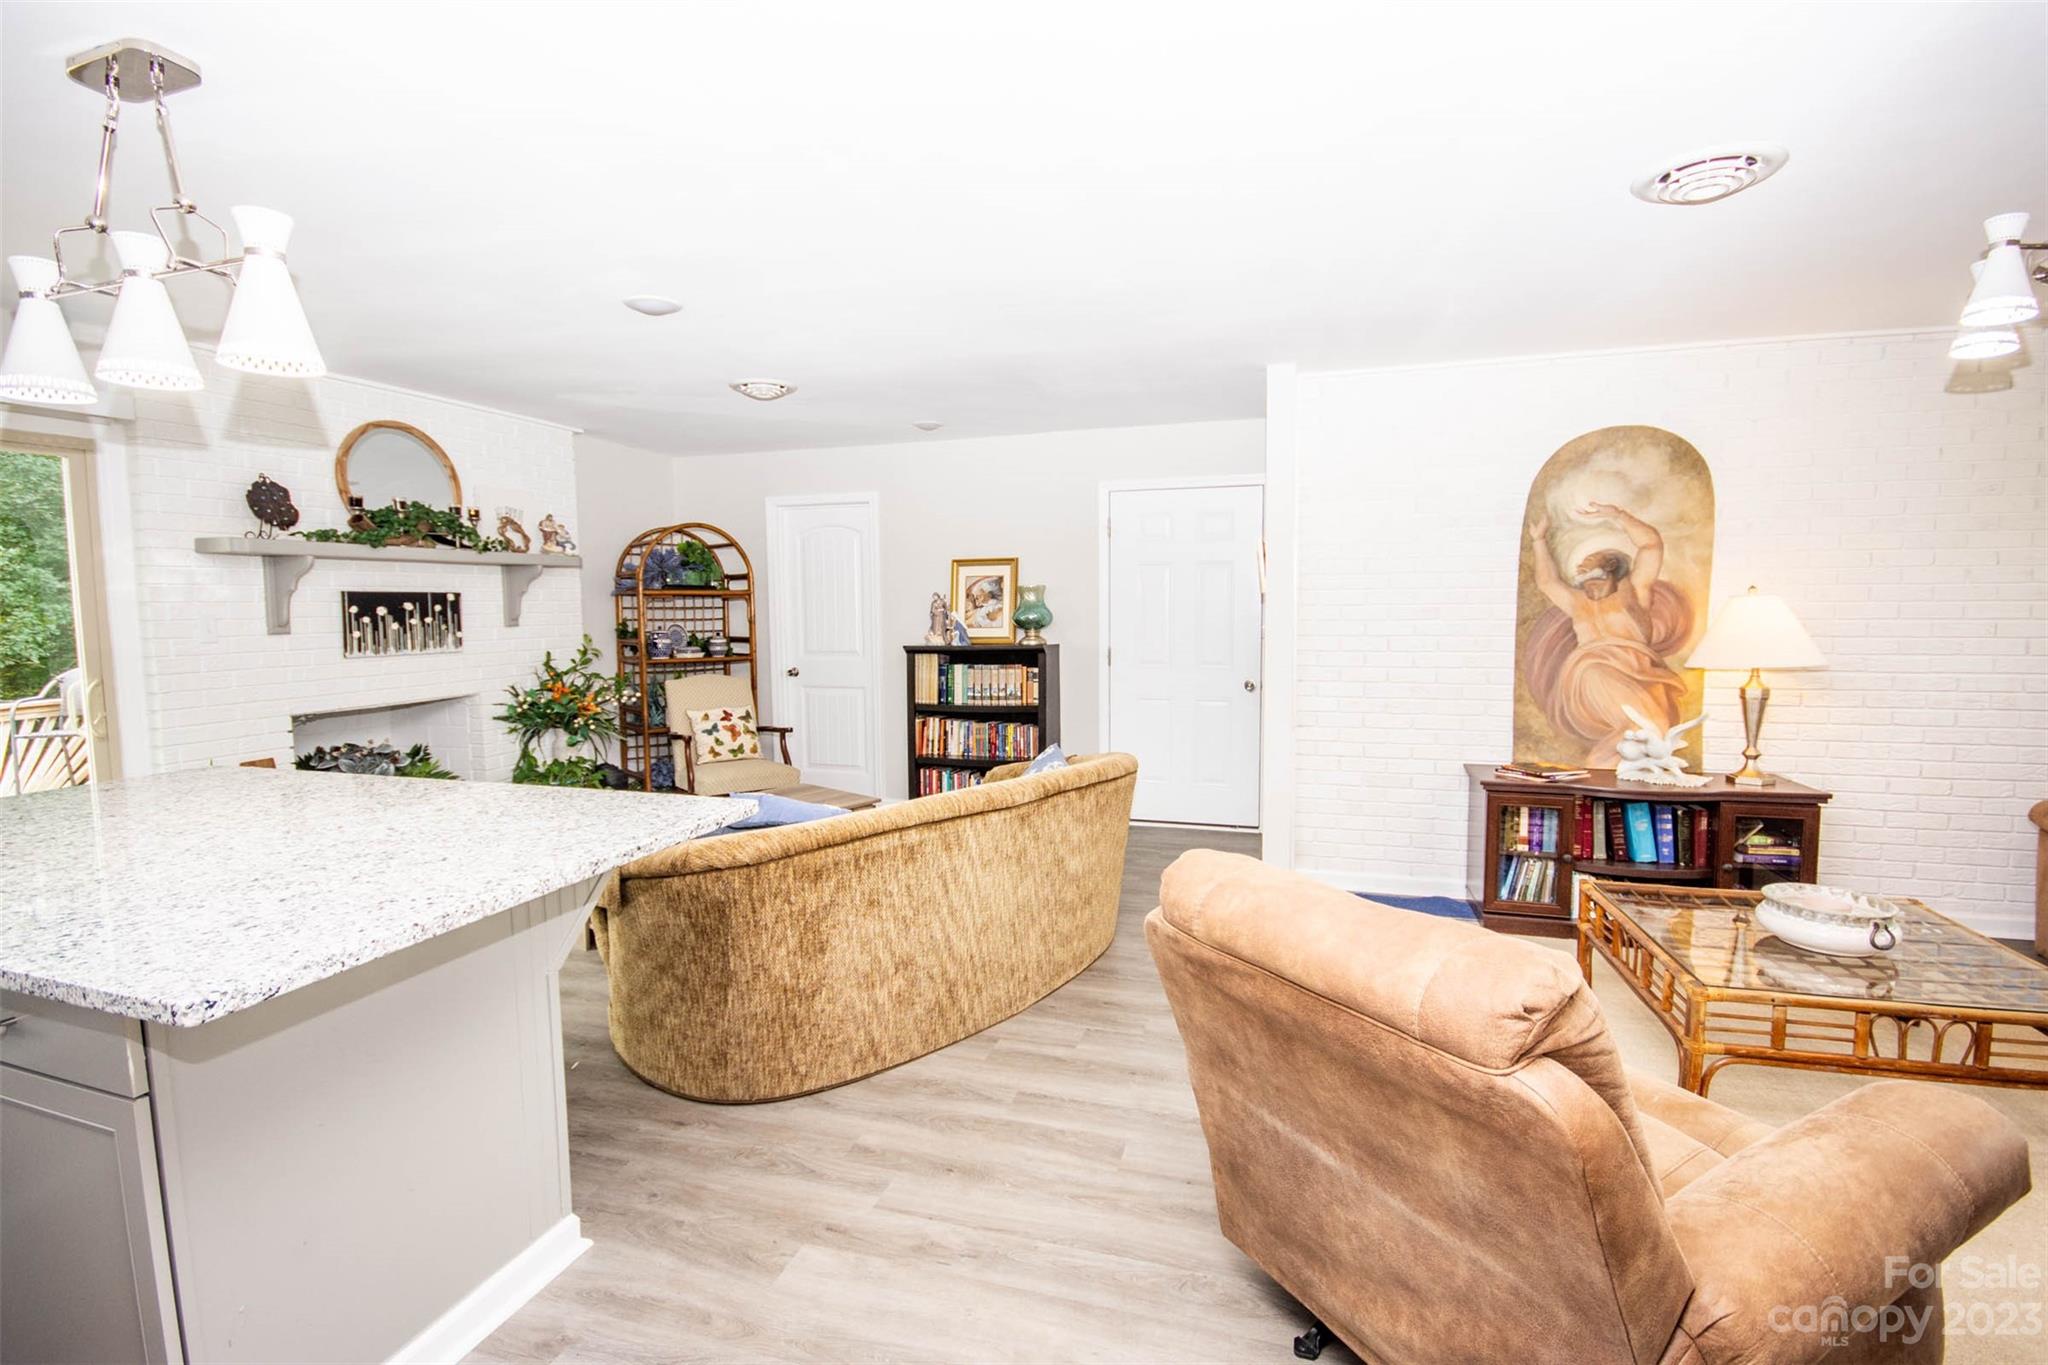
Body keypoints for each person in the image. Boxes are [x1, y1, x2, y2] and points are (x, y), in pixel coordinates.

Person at [1523, 501, 1691, 766]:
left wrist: (1618, 515)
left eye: (1588, 562)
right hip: (1592, 670)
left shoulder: (1633, 591)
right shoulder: (1577, 602)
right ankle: (1600, 778)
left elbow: (1651, 545)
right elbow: (1547, 582)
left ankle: (1602, 777)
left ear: (1610, 565)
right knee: (1643, 725)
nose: (1581, 568)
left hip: (1640, 673)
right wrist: (1539, 540)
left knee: (1651, 731)